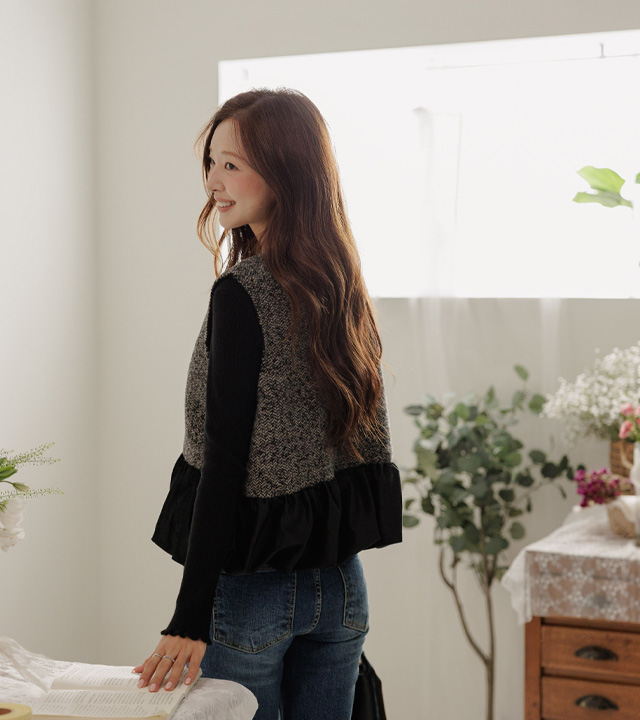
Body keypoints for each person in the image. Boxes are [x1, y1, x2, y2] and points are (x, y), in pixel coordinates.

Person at [133, 88, 402, 720]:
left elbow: (225, 462)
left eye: (233, 164)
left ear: (286, 172)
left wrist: (188, 618)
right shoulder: (341, 281)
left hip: (255, 594)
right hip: (341, 590)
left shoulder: (243, 292)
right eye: (211, 162)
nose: (213, 182)